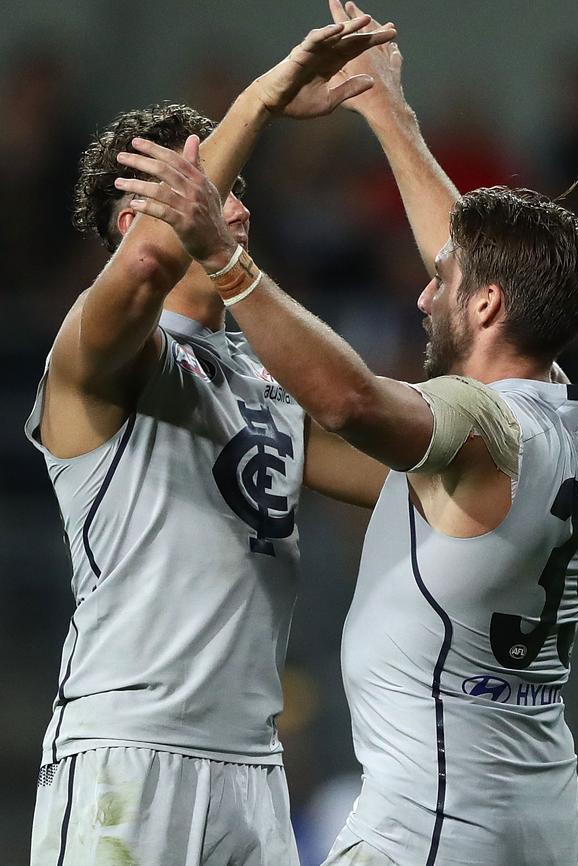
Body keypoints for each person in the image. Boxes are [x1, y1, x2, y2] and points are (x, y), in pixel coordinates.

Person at [118, 11, 578, 866]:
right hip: (539, 819)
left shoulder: (481, 424)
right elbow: (476, 263)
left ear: (483, 307)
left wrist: (224, 256)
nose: (421, 295)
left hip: (433, 831)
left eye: (442, 283)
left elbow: (351, 401)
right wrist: (387, 111)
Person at [23, 17, 399, 866]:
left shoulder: (265, 379)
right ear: (130, 223)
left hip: (254, 763)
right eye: (196, 179)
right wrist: (262, 96)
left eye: (225, 178)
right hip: (129, 748)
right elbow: (154, 268)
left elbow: (405, 481)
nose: (235, 199)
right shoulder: (93, 353)